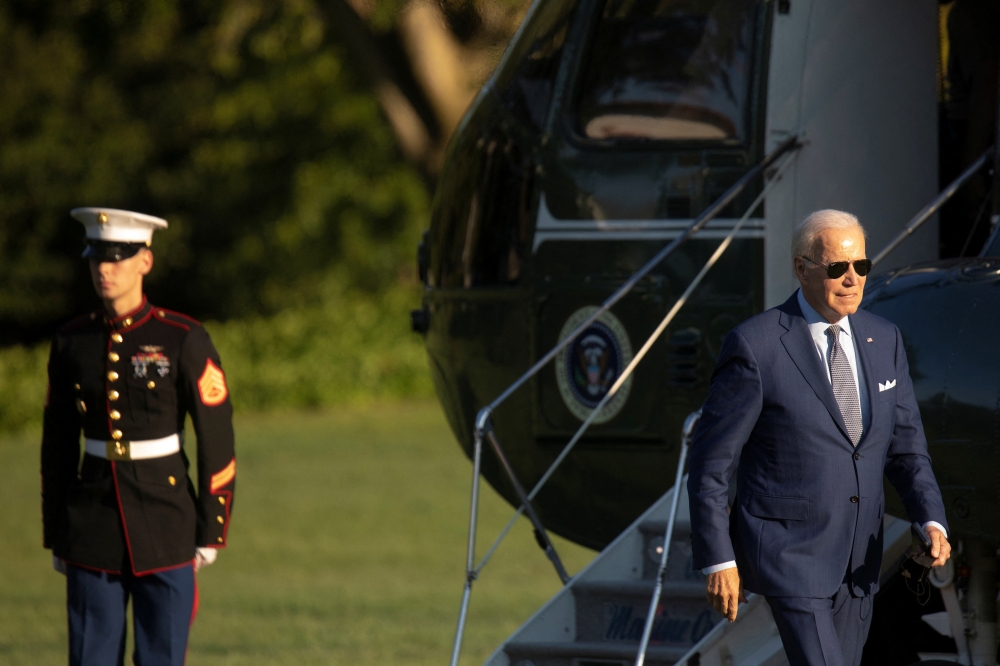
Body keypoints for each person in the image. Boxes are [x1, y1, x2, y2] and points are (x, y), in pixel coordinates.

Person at [687, 210, 951, 666]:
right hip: (791, 556)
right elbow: (711, 464)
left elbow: (907, 449)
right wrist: (719, 559)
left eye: (861, 266)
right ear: (801, 267)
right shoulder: (755, 345)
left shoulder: (885, 339)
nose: (852, 279)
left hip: (860, 562)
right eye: (838, 267)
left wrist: (930, 518)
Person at [41, 208, 236, 666]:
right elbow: (57, 444)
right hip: (91, 524)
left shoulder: (181, 337)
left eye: (117, 258)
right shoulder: (72, 341)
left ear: (145, 261)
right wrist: (57, 530)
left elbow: (216, 438)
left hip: (166, 523)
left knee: (161, 657)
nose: (104, 269)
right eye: (96, 259)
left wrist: (211, 530)